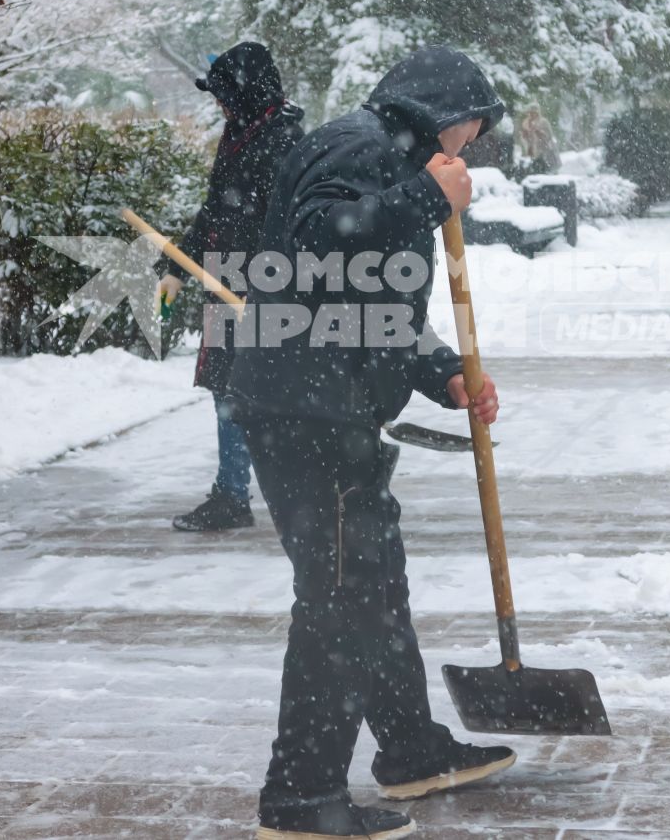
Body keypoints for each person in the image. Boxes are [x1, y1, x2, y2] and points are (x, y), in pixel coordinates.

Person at [224, 46, 515, 840]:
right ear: (446, 111)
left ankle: (412, 747)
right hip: (305, 414)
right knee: (340, 597)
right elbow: (320, 247)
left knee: (371, 584)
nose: (465, 153)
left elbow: (364, 296)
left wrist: (443, 373)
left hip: (326, 407)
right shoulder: (359, 148)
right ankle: (299, 797)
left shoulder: (376, 149)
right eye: (469, 135)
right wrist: (426, 194)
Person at [159, 43, 305, 533]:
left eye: (224, 95)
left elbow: (285, 223)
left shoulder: (282, 142)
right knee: (228, 389)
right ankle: (232, 494)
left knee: (267, 393)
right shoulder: (243, 132)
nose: (219, 105)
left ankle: (300, 492)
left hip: (261, 290)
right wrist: (178, 266)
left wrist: (270, 286)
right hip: (227, 283)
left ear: (246, 92)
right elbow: (218, 208)